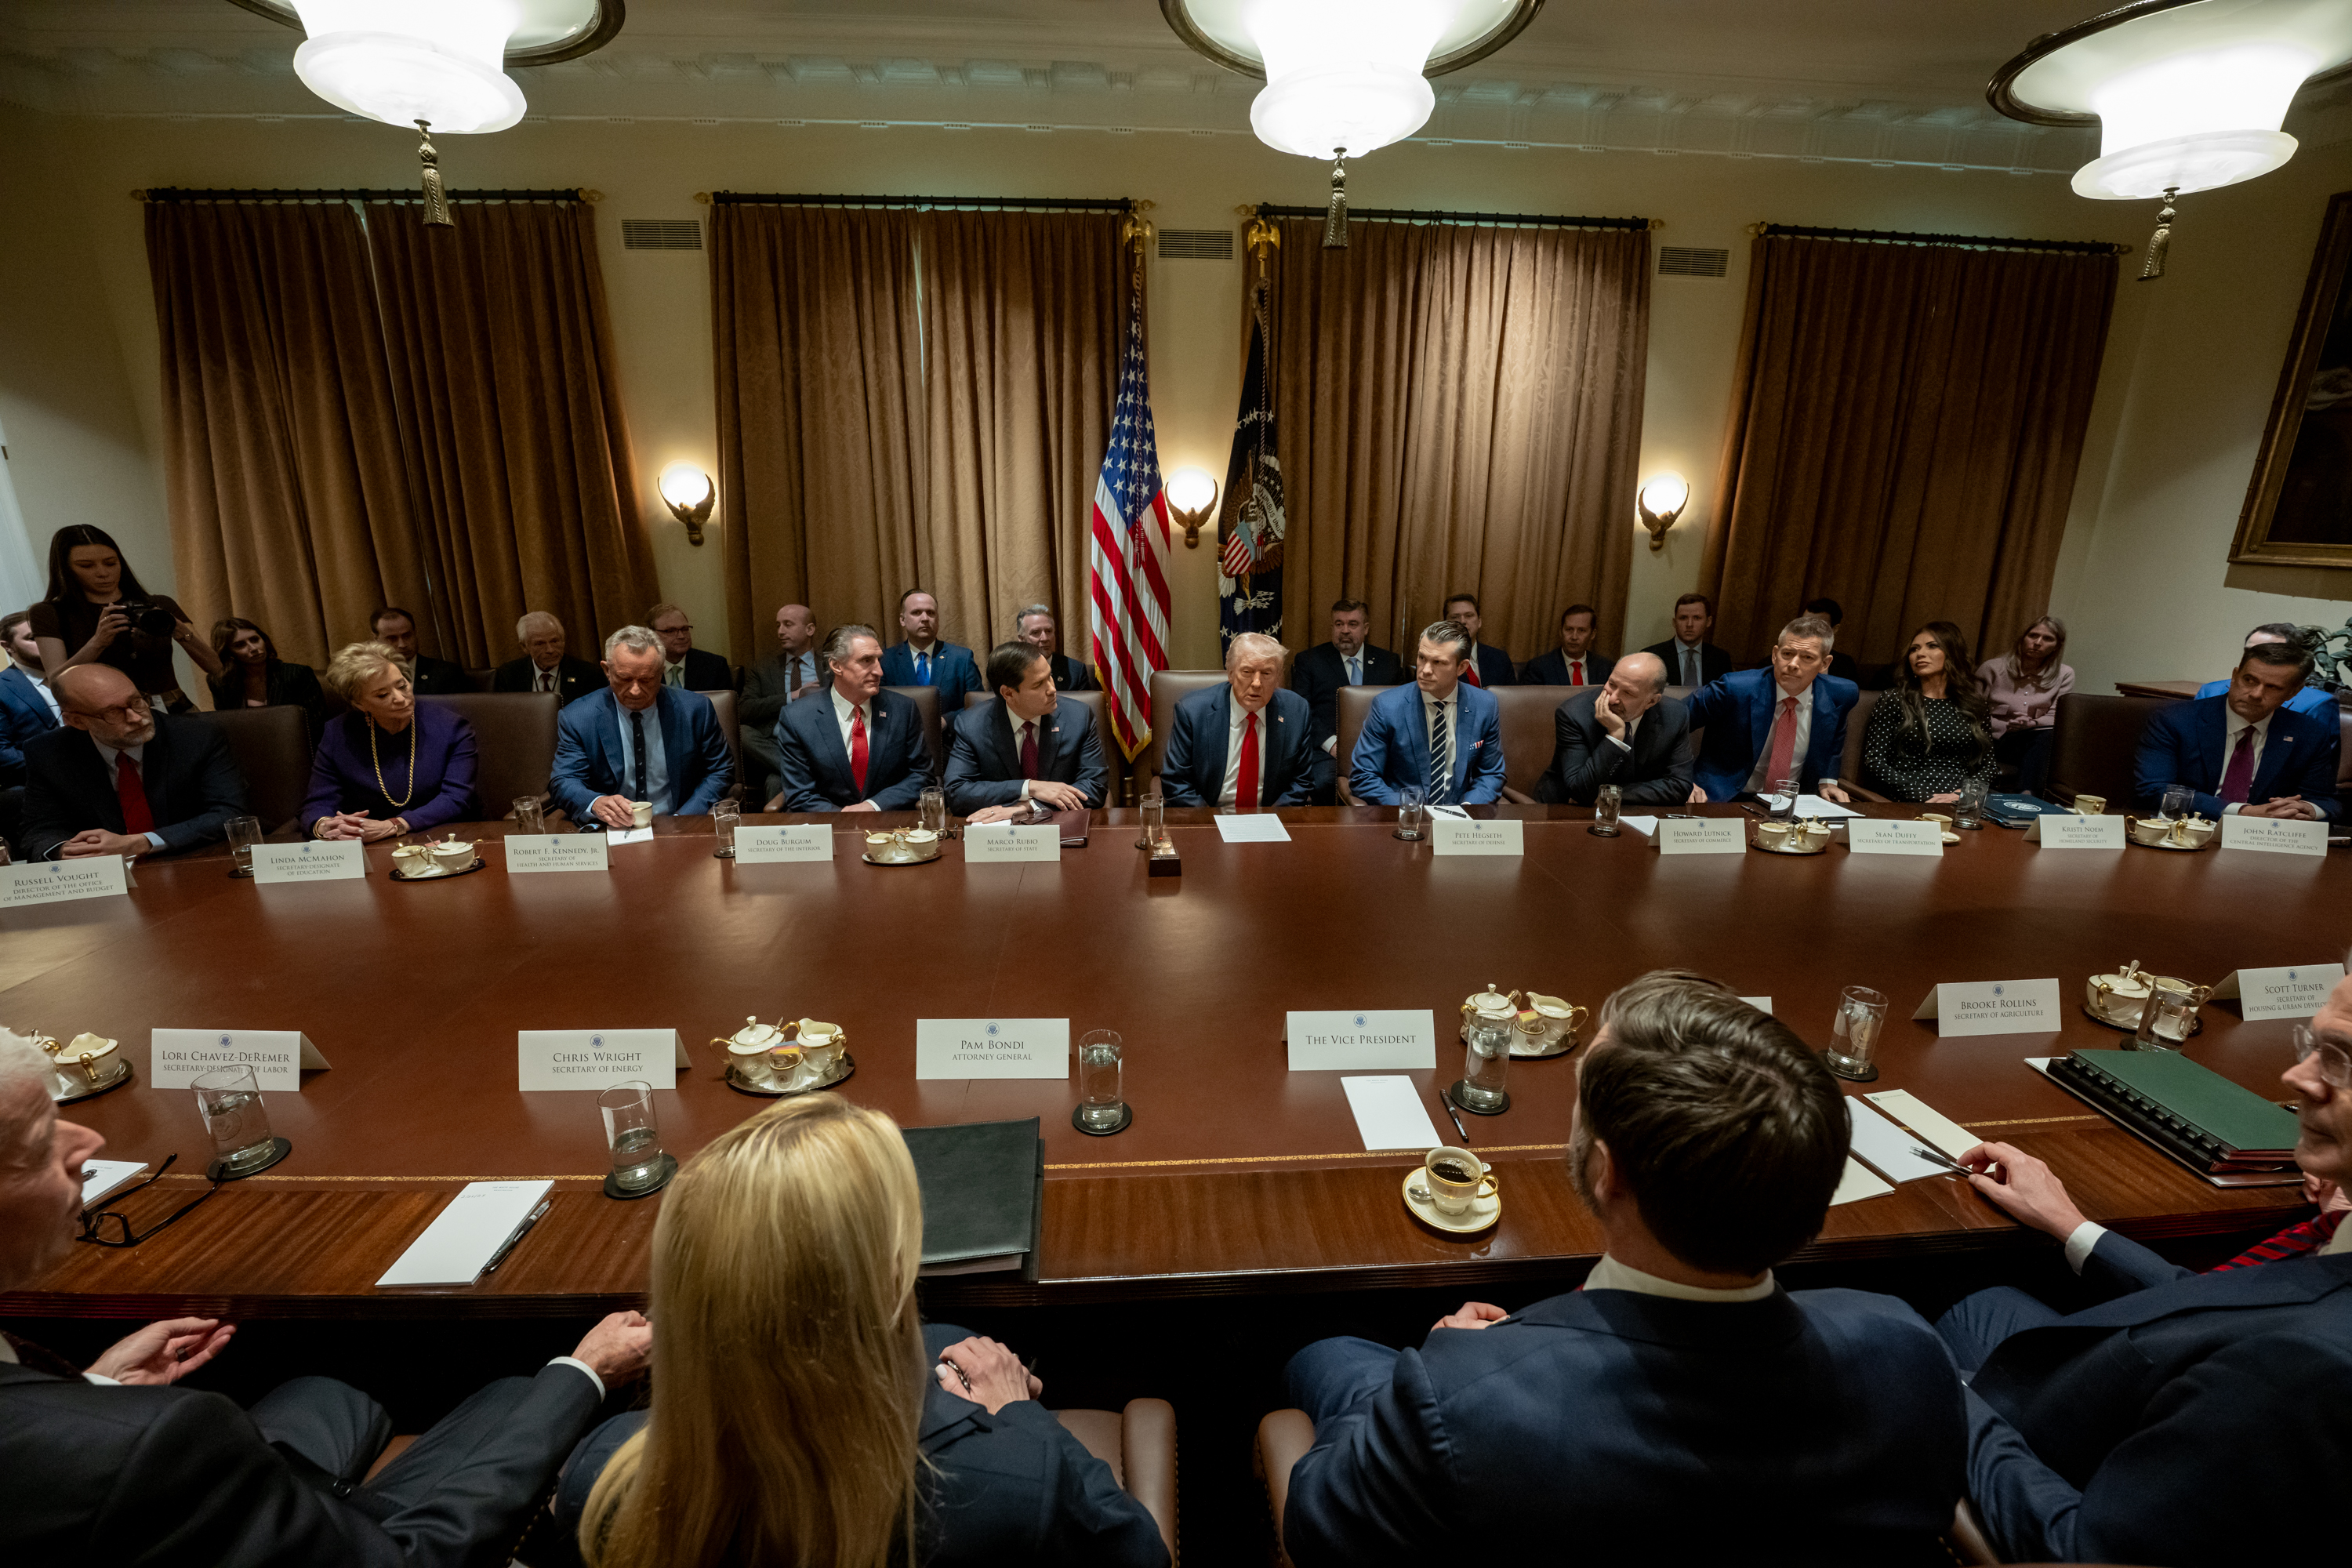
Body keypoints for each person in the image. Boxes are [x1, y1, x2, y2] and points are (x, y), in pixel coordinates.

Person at [1280, 972, 1965, 1566]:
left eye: (1583, 1094)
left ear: (1608, 1173)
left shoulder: (1462, 1402)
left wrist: (1447, 1368)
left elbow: (1319, 1527)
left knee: (1328, 1350)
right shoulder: (1909, 1355)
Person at [0, 1028, 654, 1568]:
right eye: (38, 1141)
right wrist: (586, 1373)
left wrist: (96, 1385)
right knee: (559, 1417)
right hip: (374, 1547)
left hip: (224, 1491)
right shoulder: (152, 1447)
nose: (88, 1144)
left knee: (338, 1390)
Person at [550, 1095, 1167, 1568]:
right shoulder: (1014, 1484)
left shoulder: (600, 1479)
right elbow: (1142, 1553)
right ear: (889, 1281)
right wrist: (1019, 1413)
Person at [1929, 971, 2352, 1566]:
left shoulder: (2305, 1367)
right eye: (2314, 1046)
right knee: (1972, 1295)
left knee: (1879, 1332)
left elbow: (2081, 1551)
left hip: (2080, 1479)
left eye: (2341, 1060)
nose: (2297, 1077)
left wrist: (1935, 1388)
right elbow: (2221, 1301)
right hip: (2144, 1401)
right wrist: (2069, 1224)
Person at [18, 664, 248, 862]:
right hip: (107, 878)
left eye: (137, 701)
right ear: (77, 721)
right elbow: (39, 831)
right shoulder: (48, 752)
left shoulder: (196, 737)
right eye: (113, 712)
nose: (137, 717)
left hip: (191, 861)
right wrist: (69, 851)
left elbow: (229, 813)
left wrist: (141, 843)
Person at [2135, 639, 2342, 820]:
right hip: (2189, 828)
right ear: (2235, 676)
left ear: (2293, 692)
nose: (2256, 694)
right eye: (2249, 680)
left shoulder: (2309, 734)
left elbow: (2324, 800)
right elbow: (2155, 789)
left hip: (2265, 838)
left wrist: (2306, 809)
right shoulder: (2176, 720)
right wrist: (2244, 812)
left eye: (2272, 687)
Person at [550, 627, 735, 828]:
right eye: (625, 679)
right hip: (612, 828)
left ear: (661, 671)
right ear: (607, 671)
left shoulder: (695, 710)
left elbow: (720, 770)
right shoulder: (578, 717)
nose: (635, 691)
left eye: (646, 680)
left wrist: (684, 818)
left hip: (678, 821)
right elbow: (564, 780)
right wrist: (596, 803)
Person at [29, 524, 220, 713]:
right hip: (111, 716)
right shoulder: (49, 613)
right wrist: (97, 643)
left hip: (175, 709)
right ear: (65, 569)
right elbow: (57, 683)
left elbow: (215, 666)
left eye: (111, 563)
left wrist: (179, 630)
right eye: (86, 566)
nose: (103, 573)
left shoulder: (159, 604)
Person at [300, 643, 479, 840]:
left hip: (445, 836)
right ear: (359, 703)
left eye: (402, 686)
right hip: (368, 843)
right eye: (383, 695)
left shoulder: (451, 727)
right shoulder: (337, 733)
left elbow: (456, 798)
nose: (400, 698)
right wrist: (326, 826)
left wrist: (393, 825)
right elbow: (318, 802)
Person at [1685, 614, 1857, 804]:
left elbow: (1834, 738)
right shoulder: (1735, 688)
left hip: (1794, 802)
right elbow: (1671, 722)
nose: (1793, 664)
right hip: (1722, 799)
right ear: (1775, 655)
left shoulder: (1841, 694)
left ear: (1825, 664)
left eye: (1807, 657)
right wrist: (1680, 779)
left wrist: (1827, 781)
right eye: (1787, 654)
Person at [773, 624, 934, 812]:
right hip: (828, 823)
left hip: (888, 820)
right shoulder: (797, 718)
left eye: (878, 660)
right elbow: (800, 794)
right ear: (836, 666)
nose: (879, 671)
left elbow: (922, 775)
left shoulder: (903, 709)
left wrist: (872, 806)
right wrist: (845, 817)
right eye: (866, 660)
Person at [942, 641, 1108, 820]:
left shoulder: (1078, 717)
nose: (1052, 689)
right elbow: (956, 793)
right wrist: (1029, 787)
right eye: (1039, 685)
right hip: (999, 833)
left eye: (1050, 676)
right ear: (1008, 694)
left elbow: (1095, 787)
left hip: (1062, 825)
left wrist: (1028, 807)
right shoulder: (973, 725)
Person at [1348, 621, 1506, 807]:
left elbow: (1491, 774)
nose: (1425, 670)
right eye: (1422, 658)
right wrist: (1412, 810)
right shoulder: (1387, 706)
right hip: (1406, 813)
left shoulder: (1484, 705)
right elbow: (1363, 776)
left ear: (1462, 667)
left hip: (1459, 814)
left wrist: (1467, 809)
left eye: (1438, 662)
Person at [1160, 632, 1314, 809]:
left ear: (1278, 677)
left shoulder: (1297, 711)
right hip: (1208, 815)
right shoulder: (1193, 712)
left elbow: (1302, 782)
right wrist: (1211, 821)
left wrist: (1271, 818)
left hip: (1270, 816)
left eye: (1266, 673)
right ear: (1231, 674)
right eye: (1247, 672)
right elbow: (1176, 783)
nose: (1257, 683)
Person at [1859, 621, 1996, 804]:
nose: (1920, 654)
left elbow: (1989, 766)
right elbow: (1875, 761)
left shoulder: (1975, 705)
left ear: (1952, 653)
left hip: (1961, 800)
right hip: (1909, 797)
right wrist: (1924, 796)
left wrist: (1963, 794)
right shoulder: (1894, 699)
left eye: (1932, 646)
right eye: (1914, 649)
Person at [1534, 652, 1691, 804]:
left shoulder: (1675, 715)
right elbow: (1580, 791)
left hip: (1635, 811)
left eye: (1628, 693)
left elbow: (1680, 786)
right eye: (1612, 684)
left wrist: (1612, 795)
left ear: (1652, 701)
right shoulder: (1574, 714)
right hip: (1564, 809)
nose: (1612, 698)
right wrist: (1615, 736)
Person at [1290, 599, 1403, 804]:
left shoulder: (1389, 662)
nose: (1345, 630)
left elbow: (1399, 710)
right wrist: (1333, 745)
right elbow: (1302, 710)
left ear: (1365, 628)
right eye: (1339, 624)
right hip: (1328, 750)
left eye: (1353, 624)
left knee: (1403, 780)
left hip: (1380, 748)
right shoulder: (1309, 660)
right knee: (1323, 782)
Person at [737, 603, 822, 808]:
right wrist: (792, 696)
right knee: (741, 732)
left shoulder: (829, 667)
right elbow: (744, 709)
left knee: (775, 780)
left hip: (816, 742)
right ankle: (809, 771)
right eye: (778, 625)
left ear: (810, 629)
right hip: (775, 743)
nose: (780, 632)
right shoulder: (762, 668)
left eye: (788, 624)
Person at [205, 619, 327, 743]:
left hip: (296, 745)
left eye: (255, 640)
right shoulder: (221, 683)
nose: (253, 648)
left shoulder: (297, 674)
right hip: (247, 748)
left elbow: (316, 724)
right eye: (240, 645)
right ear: (229, 653)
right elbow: (226, 728)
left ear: (264, 640)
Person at [2193, 622, 2339, 715]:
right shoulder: (2211, 691)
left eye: (2268, 652)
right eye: (2250, 651)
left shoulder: (2316, 704)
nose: (2257, 658)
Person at [880, 590, 982, 711]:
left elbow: (978, 706)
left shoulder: (962, 659)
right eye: (916, 612)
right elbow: (880, 706)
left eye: (930, 613)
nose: (925, 618)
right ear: (902, 620)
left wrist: (947, 720)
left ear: (937, 619)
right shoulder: (886, 660)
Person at [1, 610, 64, 787]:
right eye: (33, 638)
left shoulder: (80, 673)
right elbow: (2, 751)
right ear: (8, 646)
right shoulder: (2, 688)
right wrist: (56, 766)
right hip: (39, 786)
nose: (45, 642)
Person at [492, 612, 603, 705]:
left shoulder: (589, 674)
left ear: (563, 641)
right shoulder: (509, 675)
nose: (550, 650)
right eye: (540, 644)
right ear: (524, 647)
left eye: (554, 641)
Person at [368, 606, 470, 695]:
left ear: (415, 633)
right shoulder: (368, 677)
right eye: (392, 638)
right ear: (376, 640)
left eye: (407, 636)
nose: (402, 645)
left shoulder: (447, 673)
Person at [1642, 592, 1732, 688]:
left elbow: (1725, 694)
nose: (1689, 624)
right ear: (1674, 622)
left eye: (1697, 618)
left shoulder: (1721, 658)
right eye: (1683, 618)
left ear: (1708, 622)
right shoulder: (1651, 657)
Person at [1521, 604, 1613, 688]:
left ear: (1592, 634)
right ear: (1561, 631)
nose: (1574, 637)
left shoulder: (1604, 667)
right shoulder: (1539, 667)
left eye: (1582, 630)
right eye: (1569, 629)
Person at [645, 602, 731, 691]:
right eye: (671, 631)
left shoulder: (715, 666)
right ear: (651, 635)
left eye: (685, 629)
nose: (681, 636)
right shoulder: (643, 668)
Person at [1014, 604, 1098, 691]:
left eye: (1049, 631)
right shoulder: (1010, 670)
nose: (1045, 638)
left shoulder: (1075, 671)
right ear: (1022, 639)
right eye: (1036, 632)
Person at [1439, 593, 1515, 688]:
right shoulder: (1434, 660)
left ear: (1479, 622)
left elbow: (1512, 695)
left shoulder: (1500, 659)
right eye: (1455, 617)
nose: (1462, 621)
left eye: (1469, 616)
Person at [1804, 597, 1864, 686]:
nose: (1808, 630)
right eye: (1803, 623)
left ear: (1834, 629)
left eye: (1819, 626)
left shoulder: (1844, 664)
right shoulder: (1786, 655)